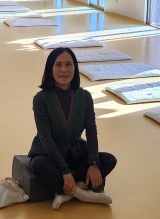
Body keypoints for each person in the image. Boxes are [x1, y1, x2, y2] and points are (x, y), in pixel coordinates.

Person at [28, 47, 117, 210]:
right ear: (50, 69)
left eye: (68, 64)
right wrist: (65, 171)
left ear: (75, 68)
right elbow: (45, 137)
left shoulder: (85, 96)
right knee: (39, 166)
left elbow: (91, 130)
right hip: (47, 154)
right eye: (58, 65)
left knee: (109, 159)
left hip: (75, 152)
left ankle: (69, 193)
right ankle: (83, 193)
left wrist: (93, 164)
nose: (64, 70)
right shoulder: (40, 99)